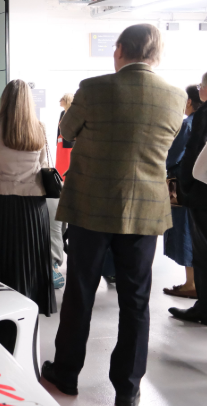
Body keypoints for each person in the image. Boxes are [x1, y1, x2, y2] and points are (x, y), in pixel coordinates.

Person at [42, 24, 186, 406]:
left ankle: (67, 374)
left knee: (80, 293)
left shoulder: (93, 88)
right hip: (145, 211)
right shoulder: (174, 97)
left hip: (92, 207)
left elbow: (67, 133)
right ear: (157, 54)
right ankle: (128, 389)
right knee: (136, 301)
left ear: (119, 49)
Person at [0, 79, 56, 317]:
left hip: (0, 203)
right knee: (30, 257)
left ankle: (0, 307)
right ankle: (32, 303)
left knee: (0, 256)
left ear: (3, 101)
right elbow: (43, 165)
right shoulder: (39, 129)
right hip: (32, 205)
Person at [170, 73, 207, 326]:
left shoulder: (199, 117)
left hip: (201, 193)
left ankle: (203, 309)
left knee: (202, 252)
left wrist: (185, 183)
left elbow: (190, 153)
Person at [163, 85, 203, 299]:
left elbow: (173, 156)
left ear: (188, 101)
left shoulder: (188, 124)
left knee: (185, 228)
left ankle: (191, 283)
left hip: (181, 184)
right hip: (195, 183)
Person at [55, 93, 75, 180]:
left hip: (69, 143)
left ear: (67, 101)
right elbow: (59, 129)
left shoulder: (73, 114)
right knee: (60, 162)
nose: (60, 101)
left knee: (68, 162)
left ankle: (68, 180)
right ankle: (60, 179)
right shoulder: (62, 113)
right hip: (61, 143)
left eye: (62, 99)